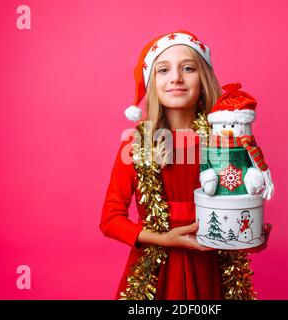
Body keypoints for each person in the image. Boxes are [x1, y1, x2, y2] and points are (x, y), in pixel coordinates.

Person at [100, 30, 270, 300]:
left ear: (203, 79)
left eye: (188, 68)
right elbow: (110, 220)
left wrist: (250, 231)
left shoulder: (226, 142)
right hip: (154, 276)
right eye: (163, 70)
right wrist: (163, 239)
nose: (176, 78)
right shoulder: (135, 146)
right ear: (151, 83)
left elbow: (237, 203)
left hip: (213, 270)